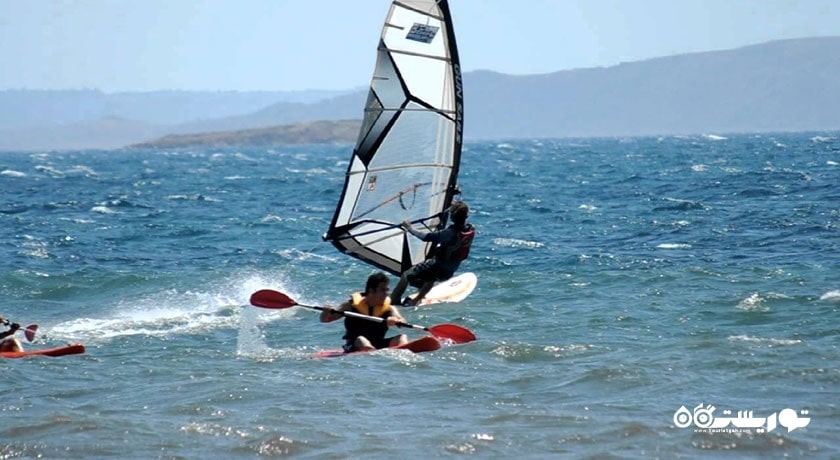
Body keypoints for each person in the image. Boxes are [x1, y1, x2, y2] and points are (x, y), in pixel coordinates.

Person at [390, 200, 474, 306]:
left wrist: (409, 227)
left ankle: (394, 300)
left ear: (452, 217)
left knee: (406, 275)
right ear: (466, 216)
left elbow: (426, 237)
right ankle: (416, 300)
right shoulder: (469, 229)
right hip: (450, 270)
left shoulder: (450, 233)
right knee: (430, 277)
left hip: (438, 266)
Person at [320, 271, 409, 352]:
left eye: (387, 290)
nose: (386, 294)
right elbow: (325, 320)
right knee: (361, 340)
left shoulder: (389, 308)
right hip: (354, 344)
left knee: (402, 337)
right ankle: (371, 354)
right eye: (383, 290)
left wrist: (396, 320)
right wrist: (325, 312)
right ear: (371, 291)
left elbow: (402, 321)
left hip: (378, 343)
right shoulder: (350, 305)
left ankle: (404, 353)